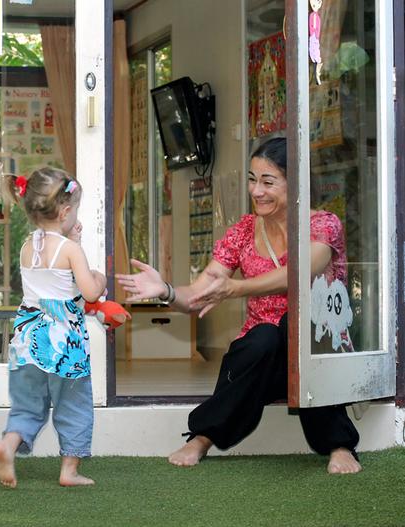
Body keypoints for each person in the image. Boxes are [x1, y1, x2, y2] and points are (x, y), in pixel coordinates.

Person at [116, 137, 361, 475]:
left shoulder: (322, 225)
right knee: (263, 337)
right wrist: (167, 290)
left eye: (267, 181)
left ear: (297, 182)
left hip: (317, 357)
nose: (256, 190)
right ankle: (202, 437)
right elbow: (202, 291)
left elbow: (300, 270)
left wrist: (236, 288)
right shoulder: (244, 231)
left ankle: (339, 443)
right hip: (262, 363)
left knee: (296, 323)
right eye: (252, 179)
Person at [0, 167, 107, 488]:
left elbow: (48, 284)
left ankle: (9, 443)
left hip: (28, 337)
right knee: (73, 404)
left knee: (28, 404)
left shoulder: (28, 246)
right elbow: (88, 292)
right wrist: (99, 276)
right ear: (66, 211)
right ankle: (69, 470)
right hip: (62, 342)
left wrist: (73, 239)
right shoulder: (70, 250)